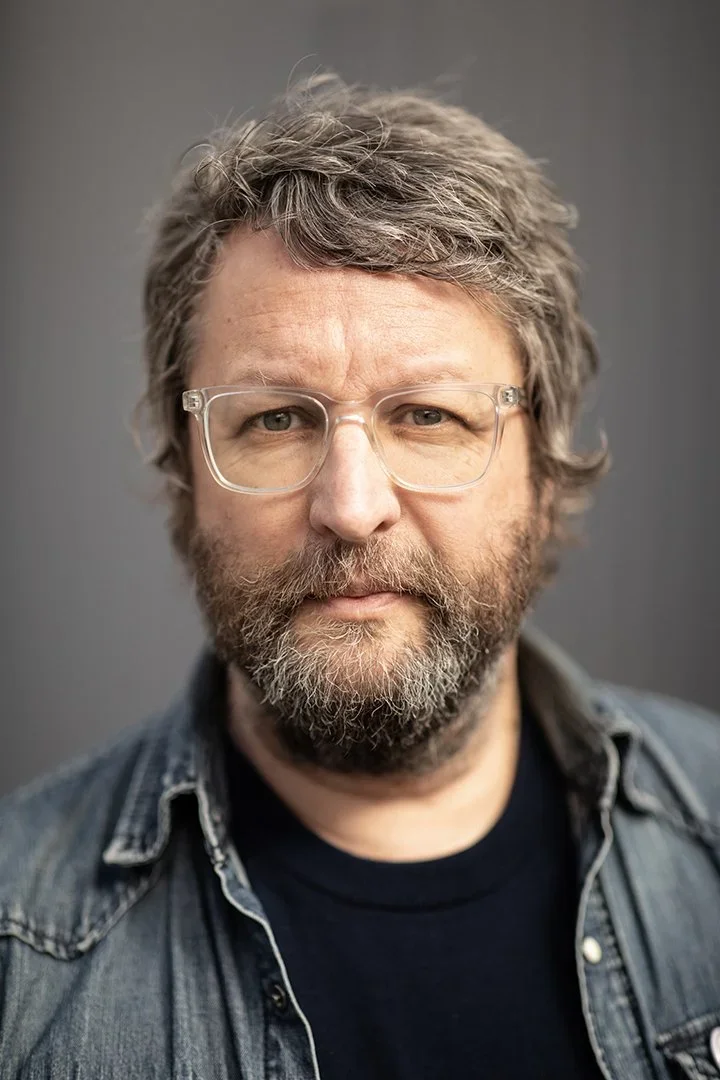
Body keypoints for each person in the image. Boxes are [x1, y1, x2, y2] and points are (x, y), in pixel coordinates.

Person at [1, 75, 718, 1080]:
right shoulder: (16, 954)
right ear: (184, 474)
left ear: (544, 472)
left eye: (429, 415)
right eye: (275, 420)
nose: (350, 505)